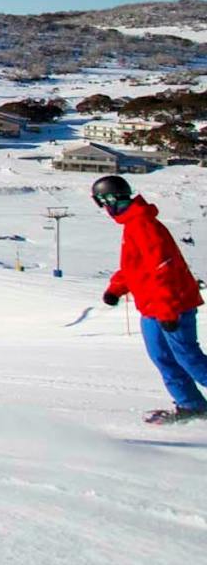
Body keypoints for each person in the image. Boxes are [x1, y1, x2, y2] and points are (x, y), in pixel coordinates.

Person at [95, 175, 207, 424]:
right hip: (151, 307)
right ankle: (192, 405)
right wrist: (116, 288)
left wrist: (168, 309)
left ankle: (192, 403)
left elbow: (162, 270)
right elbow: (135, 267)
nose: (104, 209)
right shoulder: (132, 224)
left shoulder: (144, 225)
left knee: (189, 358)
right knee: (162, 357)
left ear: (110, 200)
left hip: (172, 305)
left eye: (103, 203)